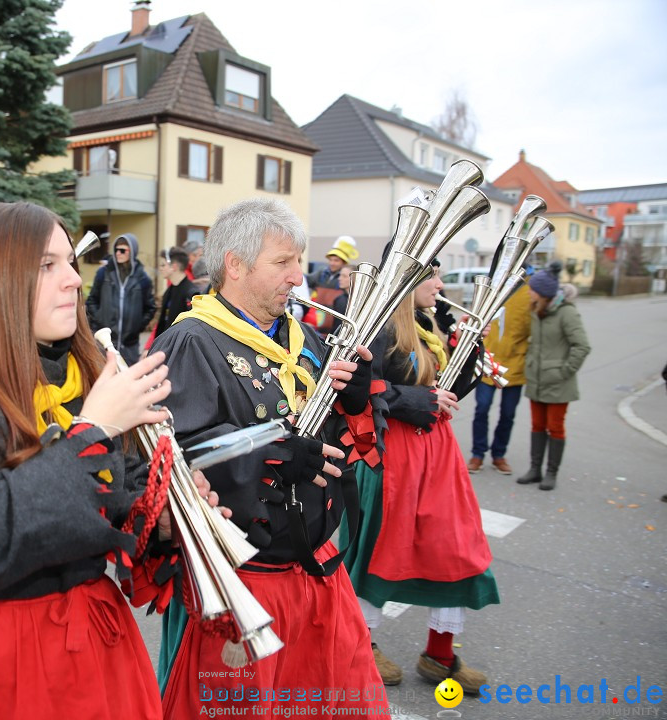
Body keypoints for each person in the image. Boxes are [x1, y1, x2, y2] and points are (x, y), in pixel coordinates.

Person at [0, 202, 220, 720]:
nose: (73, 281)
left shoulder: (78, 373)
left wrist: (170, 515)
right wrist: (93, 431)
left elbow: (115, 498)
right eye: (47, 265)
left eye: (70, 263)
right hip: (3, 654)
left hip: (95, 643)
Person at [152, 198, 386, 717]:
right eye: (283, 263)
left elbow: (355, 440)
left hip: (319, 569)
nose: (297, 278)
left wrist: (355, 399)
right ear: (234, 265)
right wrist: (275, 451)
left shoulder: (304, 338)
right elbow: (177, 459)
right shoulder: (191, 341)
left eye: (298, 262)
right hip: (250, 581)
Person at [344, 261, 498, 694]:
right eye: (431, 276)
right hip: (394, 453)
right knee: (379, 547)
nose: (441, 284)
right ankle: (362, 646)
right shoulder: (382, 326)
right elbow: (358, 388)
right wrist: (419, 399)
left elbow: (450, 393)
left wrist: (471, 348)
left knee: (453, 545)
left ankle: (440, 654)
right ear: (409, 281)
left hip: (437, 450)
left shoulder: (429, 322)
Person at [516, 265, 591, 491]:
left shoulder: (566, 312)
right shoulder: (537, 310)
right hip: (537, 379)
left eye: (533, 289)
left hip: (558, 382)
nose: (529, 292)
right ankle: (535, 469)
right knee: (537, 425)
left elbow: (582, 346)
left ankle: (551, 473)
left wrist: (563, 371)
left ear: (543, 292)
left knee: (555, 427)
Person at [467, 282, 532, 475]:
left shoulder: (529, 291)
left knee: (508, 414)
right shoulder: (494, 285)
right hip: (488, 363)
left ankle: (499, 455)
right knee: (482, 409)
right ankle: (478, 454)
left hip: (515, 365)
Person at [85, 232, 155, 364]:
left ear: (132, 251)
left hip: (129, 344)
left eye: (122, 250)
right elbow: (92, 300)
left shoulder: (142, 278)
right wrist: (100, 319)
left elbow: (150, 307)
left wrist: (136, 326)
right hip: (105, 341)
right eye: (116, 250)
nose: (118, 253)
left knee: (128, 377)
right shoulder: (104, 273)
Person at [153, 246, 198, 338]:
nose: (160, 268)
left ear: (174, 267)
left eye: (163, 265)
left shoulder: (192, 294)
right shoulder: (169, 291)